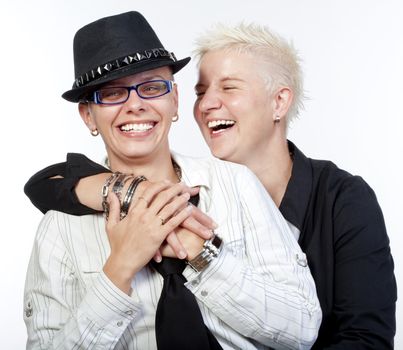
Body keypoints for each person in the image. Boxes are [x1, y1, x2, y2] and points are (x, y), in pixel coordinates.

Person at [25, 20, 397, 349]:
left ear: (173, 99)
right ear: (88, 115)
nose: (135, 105)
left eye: (152, 87)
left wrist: (200, 251)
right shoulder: (61, 225)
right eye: (111, 93)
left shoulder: (243, 185)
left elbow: (315, 329)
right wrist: (120, 265)